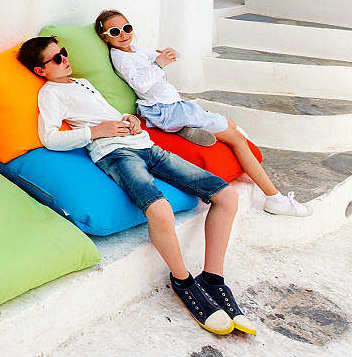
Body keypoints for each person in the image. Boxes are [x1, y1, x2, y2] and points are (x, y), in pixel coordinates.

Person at [17, 36, 255, 336]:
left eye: (63, 53)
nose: (64, 59)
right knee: (160, 208)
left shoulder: (79, 83)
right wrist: (96, 132)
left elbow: (107, 115)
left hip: (144, 144)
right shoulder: (51, 93)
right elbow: (49, 137)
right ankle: (184, 282)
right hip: (115, 153)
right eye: (55, 59)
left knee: (227, 196)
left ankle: (213, 278)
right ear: (40, 71)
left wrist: (129, 120)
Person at [96, 9, 312, 218]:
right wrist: (160, 64)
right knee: (236, 136)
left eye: (127, 28)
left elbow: (158, 57)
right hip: (166, 110)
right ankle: (274, 198)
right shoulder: (121, 57)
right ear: (105, 38)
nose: (123, 34)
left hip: (176, 106)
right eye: (115, 32)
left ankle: (185, 128)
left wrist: (168, 54)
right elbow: (140, 84)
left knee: (231, 126)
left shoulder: (134, 51)